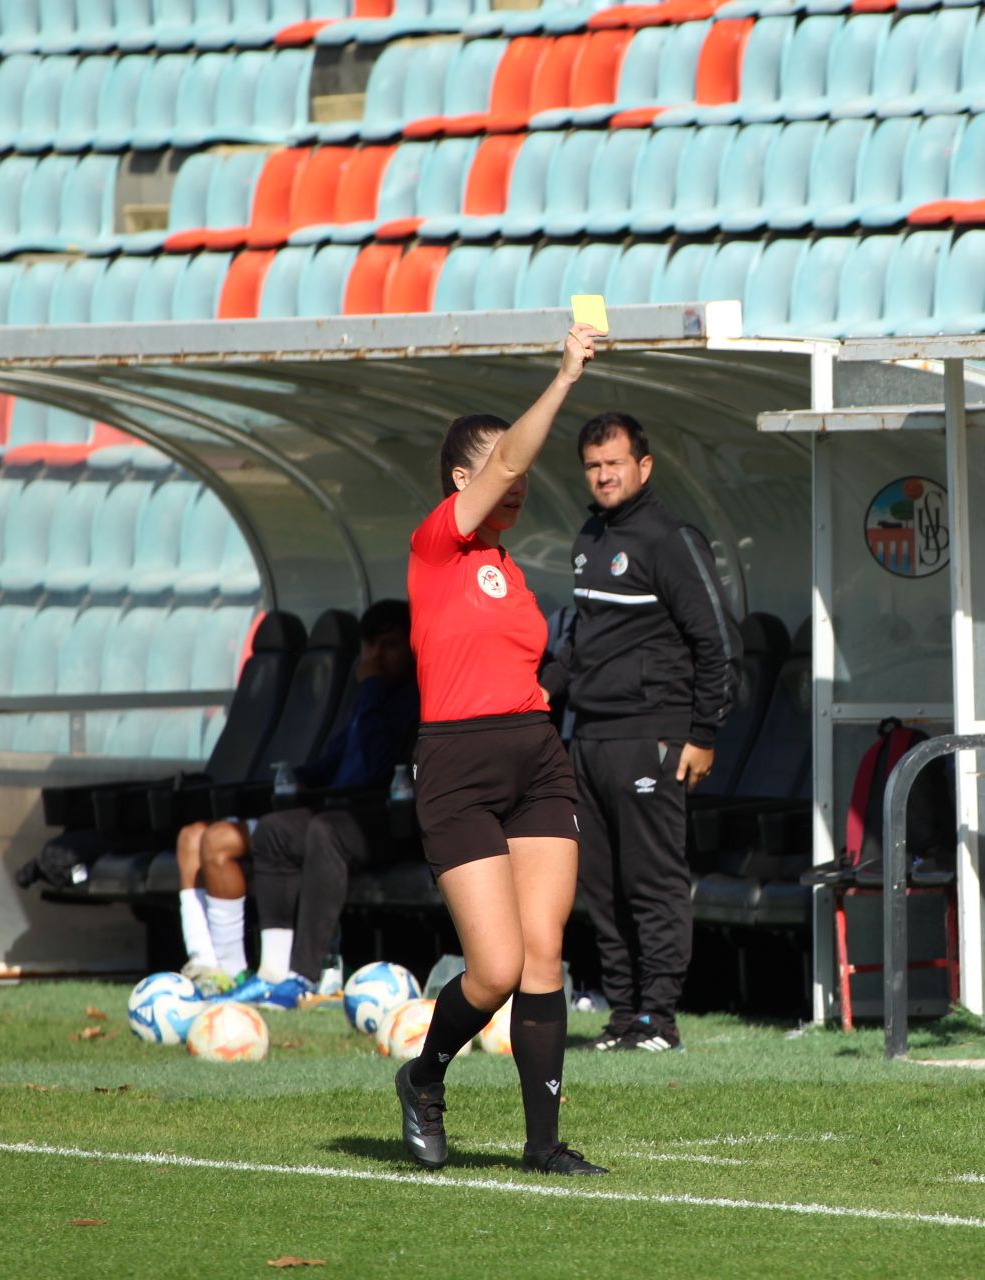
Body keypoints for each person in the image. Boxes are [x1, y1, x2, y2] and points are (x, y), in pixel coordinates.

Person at [395, 324, 608, 1178]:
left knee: (545, 952)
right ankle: (425, 1076)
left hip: (533, 756)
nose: (513, 487)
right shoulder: (435, 545)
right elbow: (513, 464)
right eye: (494, 474)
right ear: (461, 480)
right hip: (456, 767)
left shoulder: (510, 568)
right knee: (494, 968)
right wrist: (563, 379)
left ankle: (544, 1146)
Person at [549, 411, 738, 1053]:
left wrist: (703, 733)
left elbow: (716, 643)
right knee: (601, 886)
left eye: (615, 464)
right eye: (594, 465)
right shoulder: (588, 537)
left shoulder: (669, 539)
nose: (604, 475)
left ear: (644, 467)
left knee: (652, 880)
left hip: (652, 735)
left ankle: (660, 1019)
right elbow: (585, 641)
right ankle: (624, 1015)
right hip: (591, 738)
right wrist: (545, 687)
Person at [174, 600, 418, 997]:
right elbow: (335, 759)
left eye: (389, 646)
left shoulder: (409, 699)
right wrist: (299, 778)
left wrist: (370, 687)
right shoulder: (367, 700)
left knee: (223, 840)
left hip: (372, 818)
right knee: (243, 831)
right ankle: (260, 974)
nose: (376, 658)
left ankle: (281, 975)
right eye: (370, 647)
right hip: (331, 808)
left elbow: (379, 766)